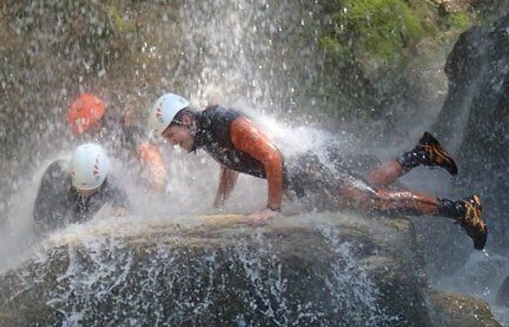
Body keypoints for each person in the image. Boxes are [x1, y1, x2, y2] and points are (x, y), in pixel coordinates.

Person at [148, 93, 488, 250]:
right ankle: (422, 153)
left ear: (186, 120)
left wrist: (273, 208)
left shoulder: (225, 122)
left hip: (311, 165)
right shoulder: (205, 136)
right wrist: (218, 205)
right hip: (305, 172)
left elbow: (271, 157)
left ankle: (462, 210)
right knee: (367, 188)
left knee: (372, 202)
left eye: (171, 136)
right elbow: (230, 163)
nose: (172, 143)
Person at [68, 93, 167, 193]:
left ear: (97, 125)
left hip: (144, 188)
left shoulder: (124, 134)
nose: (84, 140)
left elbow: (153, 161)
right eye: (81, 137)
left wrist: (156, 193)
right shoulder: (94, 148)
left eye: (86, 133)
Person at [33, 143, 130, 237]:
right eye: (80, 189)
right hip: (61, 207)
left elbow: (127, 215)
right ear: (70, 174)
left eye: (91, 190)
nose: (85, 193)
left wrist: (120, 215)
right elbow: (42, 224)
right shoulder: (55, 179)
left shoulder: (111, 182)